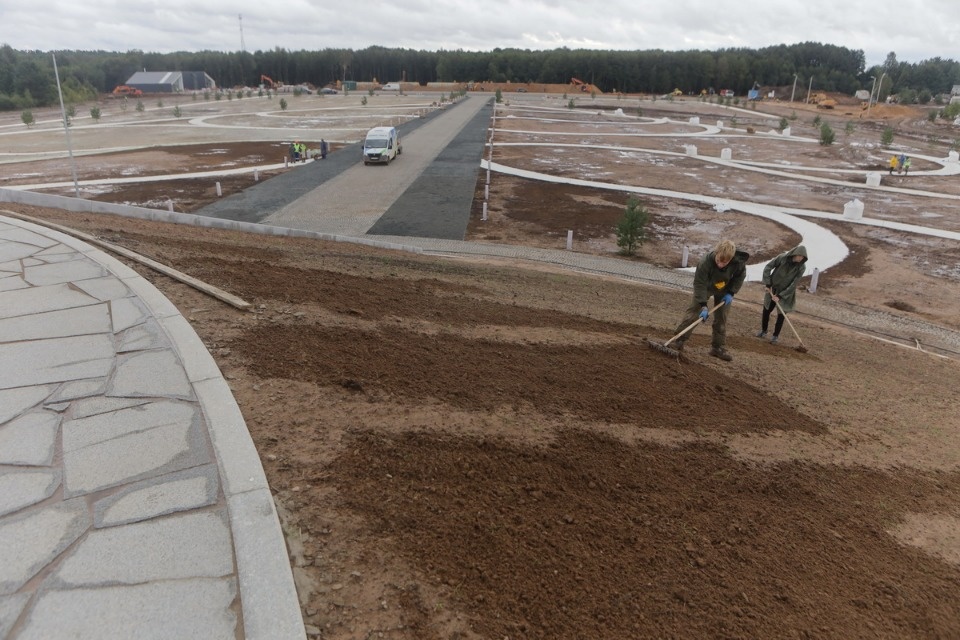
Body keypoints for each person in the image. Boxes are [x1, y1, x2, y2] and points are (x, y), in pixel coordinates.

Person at [671, 239, 750, 361]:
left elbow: (740, 276)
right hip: (706, 286)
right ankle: (679, 340)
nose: (720, 264)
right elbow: (699, 284)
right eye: (719, 260)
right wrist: (703, 305)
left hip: (725, 287)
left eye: (725, 262)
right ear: (716, 253)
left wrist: (731, 292)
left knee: (721, 317)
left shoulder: (738, 262)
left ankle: (717, 348)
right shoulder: (705, 262)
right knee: (694, 312)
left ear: (731, 258)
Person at [757, 245, 808, 344]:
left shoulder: (801, 267)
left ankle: (775, 336)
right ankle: (763, 331)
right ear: (795, 253)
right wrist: (768, 283)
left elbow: (794, 283)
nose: (800, 259)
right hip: (772, 288)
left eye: (803, 257)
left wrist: (780, 296)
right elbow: (768, 267)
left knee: (781, 315)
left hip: (786, 293)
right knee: (766, 310)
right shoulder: (782, 258)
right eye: (800, 256)